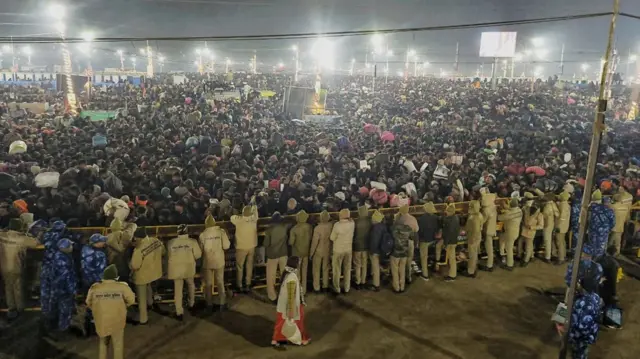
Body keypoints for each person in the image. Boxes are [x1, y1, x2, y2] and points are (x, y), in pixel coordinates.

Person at [86, 264, 136, 359]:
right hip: (117, 320)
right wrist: (123, 306)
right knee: (118, 345)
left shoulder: (95, 288)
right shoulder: (122, 287)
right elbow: (132, 300)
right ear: (115, 277)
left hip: (102, 320)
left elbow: (88, 302)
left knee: (103, 343)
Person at [0, 218, 38, 319]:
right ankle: (20, 308)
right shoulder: (22, 238)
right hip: (16, 267)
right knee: (17, 288)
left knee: (8, 286)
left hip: (3, 267)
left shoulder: (2, 235)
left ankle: (11, 308)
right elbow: (35, 243)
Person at [567, 255, 603, 359]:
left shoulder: (584, 303)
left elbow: (582, 327)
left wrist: (570, 333)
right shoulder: (595, 297)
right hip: (588, 334)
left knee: (579, 354)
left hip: (581, 337)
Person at [271, 256, 310, 349]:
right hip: (292, 306)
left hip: (283, 306)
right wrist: (291, 310)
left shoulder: (287, 275)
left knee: (281, 322)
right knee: (298, 322)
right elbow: (291, 295)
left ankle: (277, 339)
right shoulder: (292, 277)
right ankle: (301, 339)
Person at [130, 227, 165, 325]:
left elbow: (135, 265)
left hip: (142, 275)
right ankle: (150, 303)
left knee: (142, 298)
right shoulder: (156, 240)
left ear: (138, 237)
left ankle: (143, 319)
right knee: (149, 286)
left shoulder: (139, 249)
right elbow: (163, 252)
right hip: (155, 272)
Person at [167, 224, 202, 320]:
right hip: (188, 268)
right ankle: (191, 303)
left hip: (176, 269)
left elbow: (169, 255)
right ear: (187, 232)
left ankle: (179, 312)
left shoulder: (171, 242)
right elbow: (198, 255)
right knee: (191, 284)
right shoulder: (192, 242)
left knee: (178, 290)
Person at [198, 214, 230, 311]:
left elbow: (200, 251)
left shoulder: (203, 235)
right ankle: (222, 303)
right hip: (219, 261)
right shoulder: (221, 232)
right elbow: (226, 246)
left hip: (207, 262)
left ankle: (209, 303)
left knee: (208, 284)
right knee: (220, 282)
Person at [50, 238, 77, 338]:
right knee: (65, 309)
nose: (72, 247)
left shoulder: (60, 256)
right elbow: (66, 277)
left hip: (58, 288)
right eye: (70, 245)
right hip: (64, 289)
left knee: (59, 307)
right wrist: (72, 290)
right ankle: (63, 329)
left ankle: (58, 326)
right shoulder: (63, 260)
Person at [231, 201, 258, 293]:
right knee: (249, 265)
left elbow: (232, 217)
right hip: (252, 246)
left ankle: (239, 285)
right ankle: (248, 283)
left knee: (240, 266)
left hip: (241, 247)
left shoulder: (239, 220)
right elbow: (255, 213)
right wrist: (254, 206)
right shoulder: (253, 219)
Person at [264, 212, 290, 302]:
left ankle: (272, 296)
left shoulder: (269, 230)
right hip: (283, 253)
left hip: (272, 255)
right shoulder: (284, 227)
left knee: (271, 276)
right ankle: (285, 294)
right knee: (284, 275)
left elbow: (266, 243)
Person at [330, 209, 355, 295]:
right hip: (348, 249)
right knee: (347, 269)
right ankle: (347, 287)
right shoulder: (352, 224)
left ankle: (337, 288)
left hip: (338, 250)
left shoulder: (337, 225)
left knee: (337, 269)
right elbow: (351, 220)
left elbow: (332, 238)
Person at [106, 218, 137, 284]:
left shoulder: (106, 238)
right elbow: (133, 226)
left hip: (112, 266)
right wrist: (129, 224)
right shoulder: (126, 235)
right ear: (121, 227)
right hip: (124, 265)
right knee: (125, 283)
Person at [289, 210, 313, 294]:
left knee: (297, 272)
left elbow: (291, 242)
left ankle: (298, 290)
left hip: (297, 254)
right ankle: (304, 290)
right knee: (304, 271)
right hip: (306, 252)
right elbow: (310, 238)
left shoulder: (294, 229)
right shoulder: (309, 227)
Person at [394, 204, 418, 285]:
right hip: (410, 241)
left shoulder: (397, 219)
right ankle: (408, 277)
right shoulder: (412, 219)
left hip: (399, 242)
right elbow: (416, 230)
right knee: (408, 260)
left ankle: (399, 279)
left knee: (400, 262)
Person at [310, 210, 333, 293]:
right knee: (325, 269)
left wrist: (311, 254)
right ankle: (325, 286)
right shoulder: (331, 226)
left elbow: (314, 243)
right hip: (327, 250)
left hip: (318, 251)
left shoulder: (317, 228)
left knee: (316, 269)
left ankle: (316, 287)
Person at [587, 190, 615, 258]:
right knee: (601, 247)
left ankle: (592, 260)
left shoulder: (593, 208)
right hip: (603, 232)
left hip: (593, 230)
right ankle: (599, 261)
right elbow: (613, 223)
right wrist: (607, 229)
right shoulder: (610, 211)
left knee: (592, 245)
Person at [498, 198, 523, 271]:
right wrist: (505, 207)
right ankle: (503, 255)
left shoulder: (508, 213)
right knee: (505, 242)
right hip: (516, 232)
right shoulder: (519, 211)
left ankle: (510, 265)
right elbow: (511, 210)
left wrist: (500, 209)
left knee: (509, 249)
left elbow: (499, 218)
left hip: (509, 233)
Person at [417, 202, 439, 280]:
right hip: (433, 240)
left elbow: (419, 232)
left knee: (424, 257)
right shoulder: (436, 217)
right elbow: (437, 229)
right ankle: (436, 267)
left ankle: (425, 274)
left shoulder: (421, 219)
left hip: (424, 241)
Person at [390, 217, 412, 293]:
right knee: (402, 269)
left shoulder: (393, 228)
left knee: (395, 270)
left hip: (395, 252)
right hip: (404, 252)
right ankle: (402, 287)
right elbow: (412, 237)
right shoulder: (408, 228)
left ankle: (396, 287)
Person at [352, 205, 371, 290]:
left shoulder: (356, 222)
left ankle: (358, 282)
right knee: (364, 264)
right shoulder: (369, 221)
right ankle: (363, 281)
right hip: (366, 246)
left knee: (357, 265)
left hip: (357, 246)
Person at [464, 200, 485, 278]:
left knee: (472, 255)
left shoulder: (472, 218)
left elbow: (471, 229)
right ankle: (474, 268)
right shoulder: (480, 214)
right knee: (475, 254)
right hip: (478, 237)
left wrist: (471, 239)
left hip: (473, 238)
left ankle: (471, 272)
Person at [480, 188, 498, 272]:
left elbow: (482, 220)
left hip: (487, 231)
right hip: (492, 228)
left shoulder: (486, 209)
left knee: (489, 248)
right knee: (490, 248)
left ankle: (489, 265)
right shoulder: (493, 206)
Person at [441, 203, 460, 282]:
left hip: (450, 242)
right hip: (454, 240)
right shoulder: (456, 218)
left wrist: (445, 243)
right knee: (452, 258)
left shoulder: (449, 221)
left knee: (451, 259)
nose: (446, 213)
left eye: (447, 211)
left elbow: (448, 233)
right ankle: (452, 273)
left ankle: (452, 275)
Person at [542, 193, 559, 263]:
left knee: (547, 241)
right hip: (552, 224)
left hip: (547, 225)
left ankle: (547, 257)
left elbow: (544, 216)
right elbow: (557, 214)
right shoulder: (553, 204)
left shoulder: (547, 206)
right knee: (551, 240)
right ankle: (553, 254)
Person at [555, 191, 571, 265]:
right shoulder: (566, 204)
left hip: (561, 227)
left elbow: (562, 217)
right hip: (565, 226)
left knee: (560, 243)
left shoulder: (563, 205)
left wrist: (558, 226)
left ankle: (561, 259)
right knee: (563, 242)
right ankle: (563, 256)